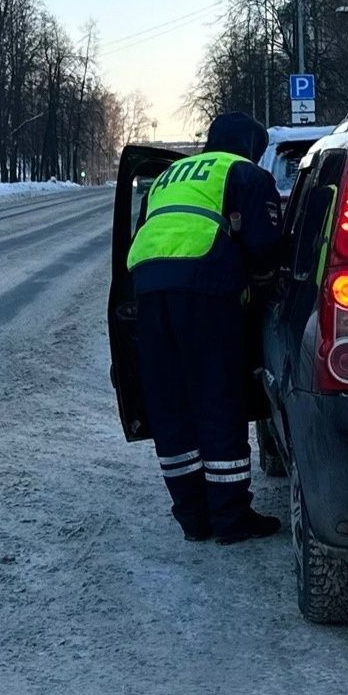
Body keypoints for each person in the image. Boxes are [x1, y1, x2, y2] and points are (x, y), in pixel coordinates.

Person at [125, 111, 286, 543]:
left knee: (171, 403)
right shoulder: (244, 173)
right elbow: (266, 248)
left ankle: (193, 517)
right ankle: (232, 518)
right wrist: (258, 286)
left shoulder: (168, 175)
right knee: (217, 398)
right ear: (251, 146)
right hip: (205, 292)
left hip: (148, 290)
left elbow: (147, 230)